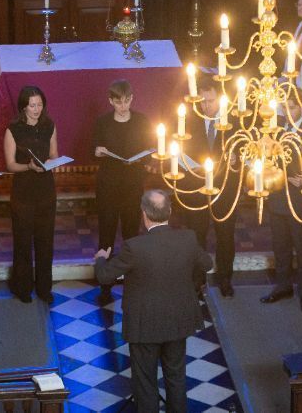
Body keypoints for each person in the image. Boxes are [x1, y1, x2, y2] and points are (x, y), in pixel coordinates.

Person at [94, 190, 213, 412]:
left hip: (144, 324)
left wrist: (101, 259)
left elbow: (104, 276)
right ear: (169, 211)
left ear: (144, 214)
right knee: (176, 378)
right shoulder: (188, 238)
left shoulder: (134, 247)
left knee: (145, 382)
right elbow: (206, 264)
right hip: (178, 319)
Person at [178, 77, 238, 298]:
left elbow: (246, 150)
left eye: (210, 101)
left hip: (225, 189)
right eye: (202, 101)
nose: (205, 106)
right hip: (197, 188)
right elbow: (181, 151)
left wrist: (237, 160)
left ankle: (225, 279)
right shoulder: (190, 121)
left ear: (221, 99)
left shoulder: (236, 121)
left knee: (225, 236)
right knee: (197, 235)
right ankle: (197, 280)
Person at [93, 79, 151, 305]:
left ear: (131, 99)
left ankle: (132, 283)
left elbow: (150, 148)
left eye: (127, 101)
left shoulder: (141, 120)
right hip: (108, 183)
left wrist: (145, 155)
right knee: (106, 234)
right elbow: (94, 148)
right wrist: (98, 151)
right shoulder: (103, 122)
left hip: (132, 184)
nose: (123, 106)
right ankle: (105, 285)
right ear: (111, 101)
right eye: (118, 102)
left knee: (131, 235)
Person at [261, 92, 302, 314]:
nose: (289, 113)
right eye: (286, 108)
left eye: (293, 108)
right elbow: (267, 160)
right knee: (280, 246)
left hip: (301, 198)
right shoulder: (277, 130)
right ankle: (283, 286)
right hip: (277, 196)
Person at [4, 86, 58, 304]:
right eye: (32, 105)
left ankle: (44, 288)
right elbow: (10, 165)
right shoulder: (13, 129)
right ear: (23, 107)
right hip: (23, 190)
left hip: (46, 189)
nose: (37, 109)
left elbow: (54, 154)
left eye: (40, 105)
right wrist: (28, 167)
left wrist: (52, 163)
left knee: (45, 241)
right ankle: (22, 287)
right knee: (23, 240)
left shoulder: (49, 125)